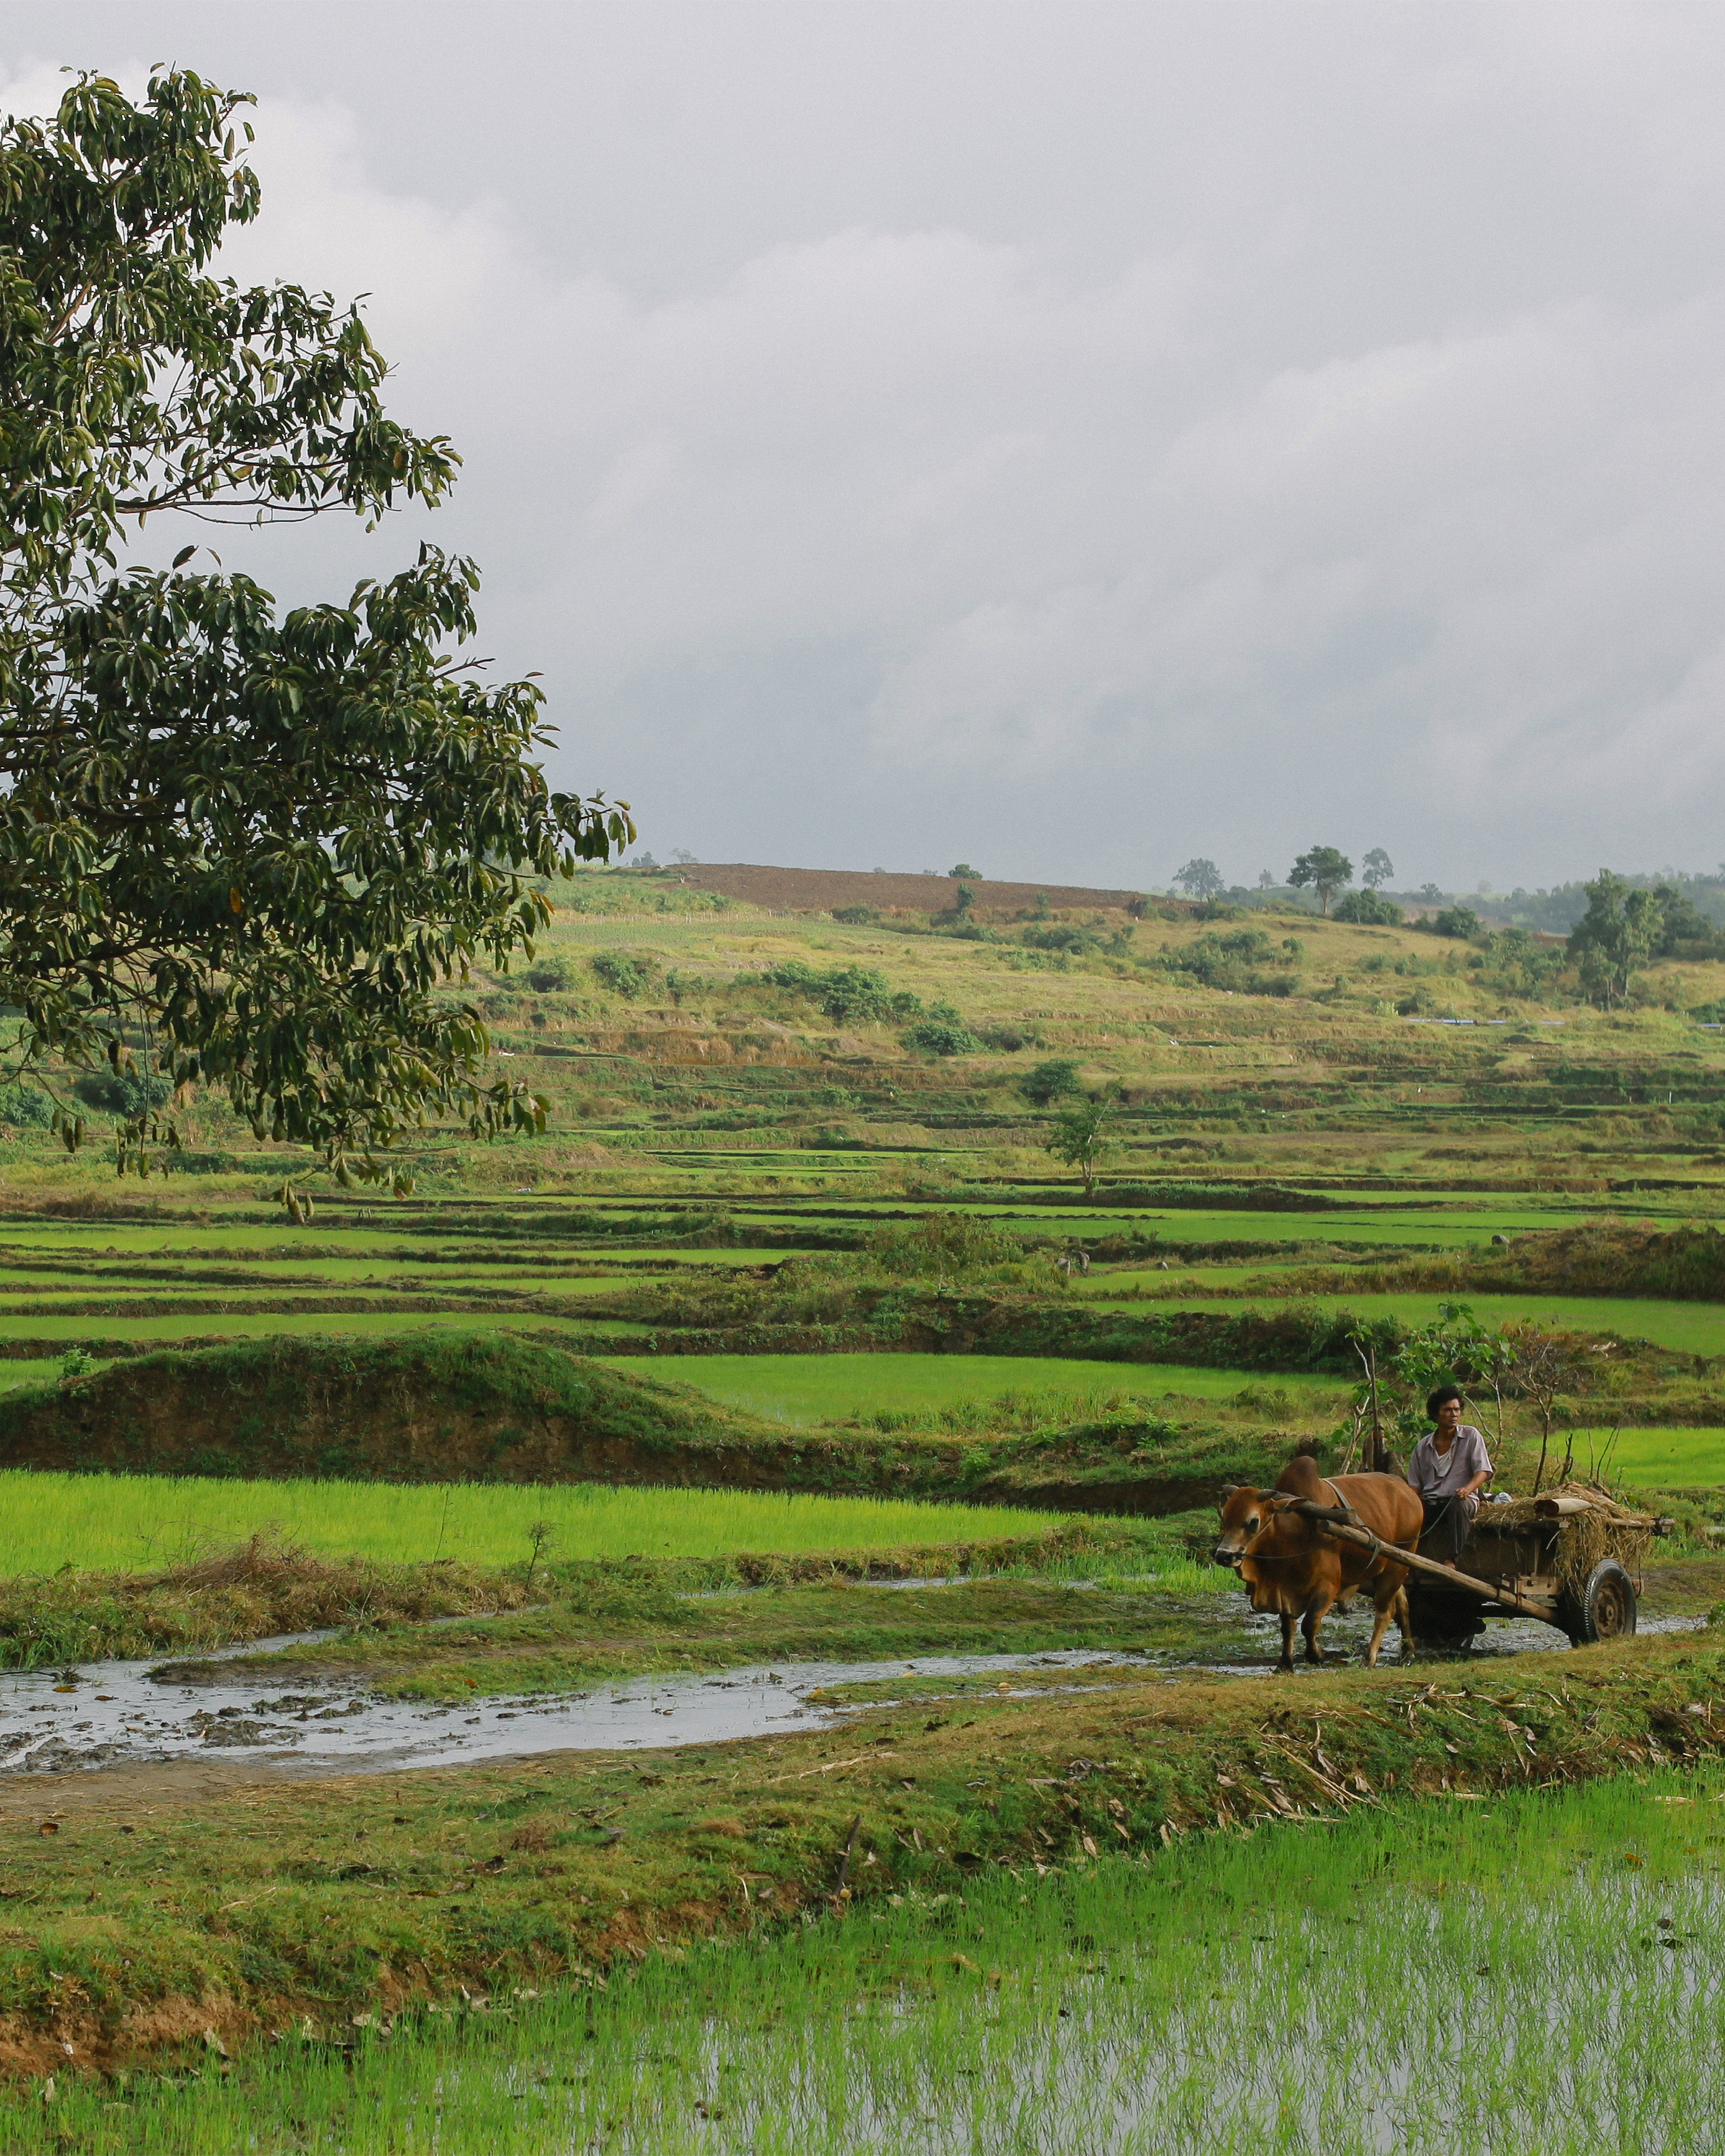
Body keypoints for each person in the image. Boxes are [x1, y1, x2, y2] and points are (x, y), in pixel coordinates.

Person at [1405, 1386, 1493, 1567]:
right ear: (1435, 1415)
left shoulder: (1471, 1436)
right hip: (1431, 1501)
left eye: (1457, 1410)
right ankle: (1407, 1561)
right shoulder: (1422, 1447)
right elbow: (1415, 1486)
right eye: (1448, 1410)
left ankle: (1451, 1560)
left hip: (1460, 1500)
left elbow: (1483, 1471)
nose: (1454, 1414)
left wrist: (1467, 1489)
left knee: (1458, 1506)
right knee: (1410, 1513)